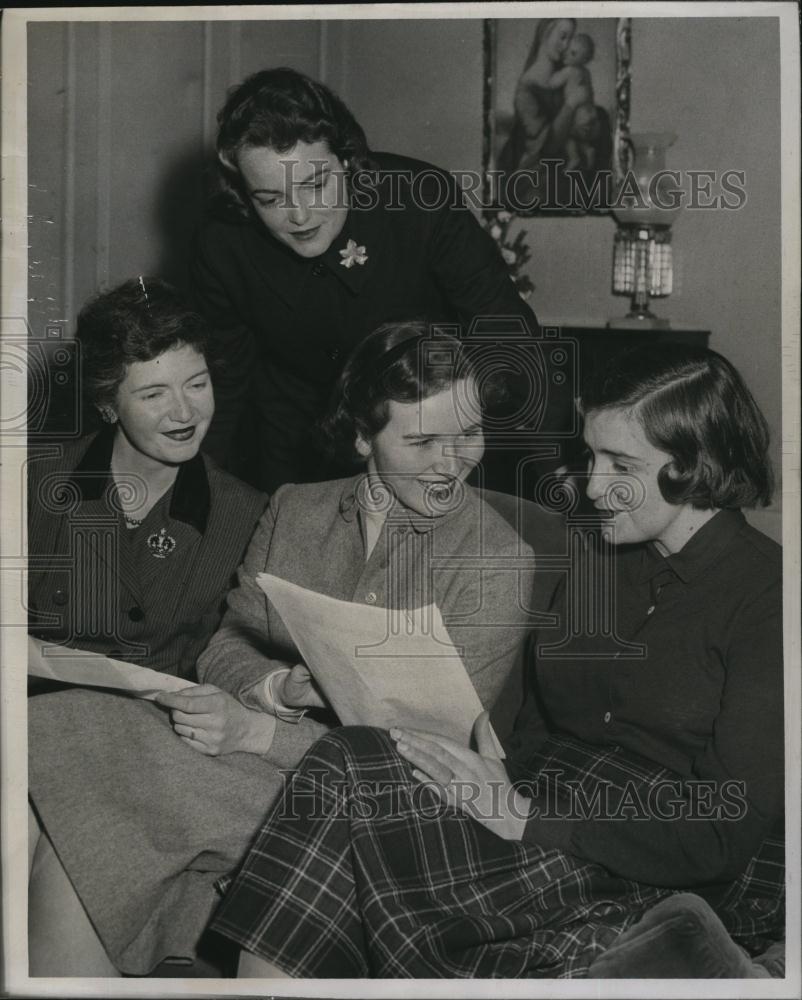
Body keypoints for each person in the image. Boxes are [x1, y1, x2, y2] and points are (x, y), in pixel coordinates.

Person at [208, 342, 784, 979]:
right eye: (591, 455)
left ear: (695, 463)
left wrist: (527, 817)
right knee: (360, 761)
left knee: (351, 776)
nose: (591, 485)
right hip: (544, 793)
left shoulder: (770, 600)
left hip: (651, 845)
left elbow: (723, 827)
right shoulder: (598, 553)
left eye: (621, 463)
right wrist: (483, 777)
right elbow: (538, 721)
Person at [28, 320, 559, 976]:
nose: (452, 464)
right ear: (363, 435)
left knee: (72, 814)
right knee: (67, 749)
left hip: (386, 808)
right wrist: (276, 689)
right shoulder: (296, 509)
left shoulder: (498, 559)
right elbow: (225, 644)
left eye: (470, 435)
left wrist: (259, 734)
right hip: (263, 768)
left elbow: (429, 765)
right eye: (422, 441)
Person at [27, 278, 269, 975]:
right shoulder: (33, 486)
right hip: (40, 741)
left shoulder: (244, 512)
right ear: (108, 404)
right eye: (154, 393)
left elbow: (239, 655)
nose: (185, 411)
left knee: (76, 847)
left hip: (158, 758)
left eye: (196, 383)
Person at [190, 67, 540, 492]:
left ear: (348, 161)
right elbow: (223, 384)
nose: (299, 216)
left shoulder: (420, 201)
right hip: (300, 448)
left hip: (438, 431)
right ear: (244, 194)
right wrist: (197, 486)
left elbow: (509, 337)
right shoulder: (223, 245)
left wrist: (548, 461)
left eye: (316, 185)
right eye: (270, 198)